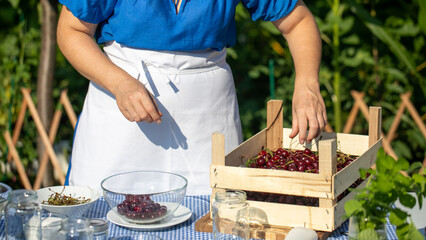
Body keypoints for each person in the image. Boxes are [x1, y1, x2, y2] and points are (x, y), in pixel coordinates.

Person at [57, 0, 327, 195]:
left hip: (207, 126)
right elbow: (72, 30)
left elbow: (297, 21)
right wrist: (119, 84)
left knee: (217, 218)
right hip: (120, 121)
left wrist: (308, 84)